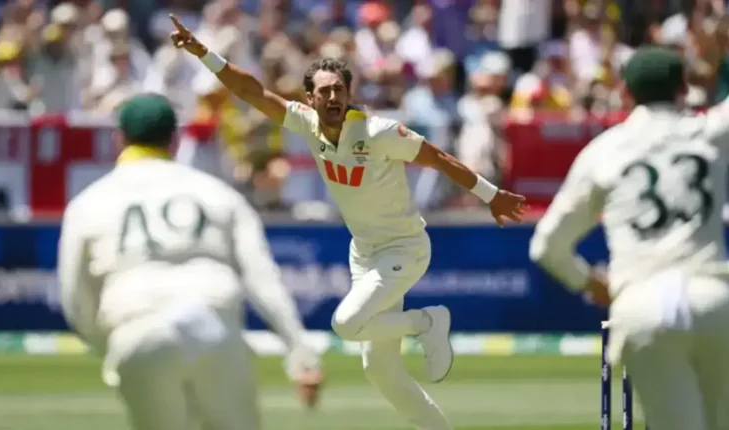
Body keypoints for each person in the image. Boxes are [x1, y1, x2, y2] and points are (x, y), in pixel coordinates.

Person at [170, 15, 527, 430]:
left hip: (405, 248)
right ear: (310, 98)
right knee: (381, 370)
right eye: (324, 91)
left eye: (339, 89)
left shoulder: (379, 132)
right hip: (364, 254)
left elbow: (440, 159)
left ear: (349, 93)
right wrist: (202, 52)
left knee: (346, 323)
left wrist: (491, 195)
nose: (333, 97)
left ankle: (428, 321)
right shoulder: (306, 123)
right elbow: (250, 91)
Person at [57, 93, 322, 430]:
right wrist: (300, 353)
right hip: (213, 324)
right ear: (175, 139)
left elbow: (75, 298)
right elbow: (262, 279)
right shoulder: (216, 193)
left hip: (136, 329)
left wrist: (107, 342)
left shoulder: (88, 204)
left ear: (119, 139)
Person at [530, 46, 729, 430]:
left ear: (624, 92)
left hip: (641, 305)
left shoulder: (603, 151)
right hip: (713, 298)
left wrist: (591, 283)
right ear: (684, 89)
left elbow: (546, 247)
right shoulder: (713, 131)